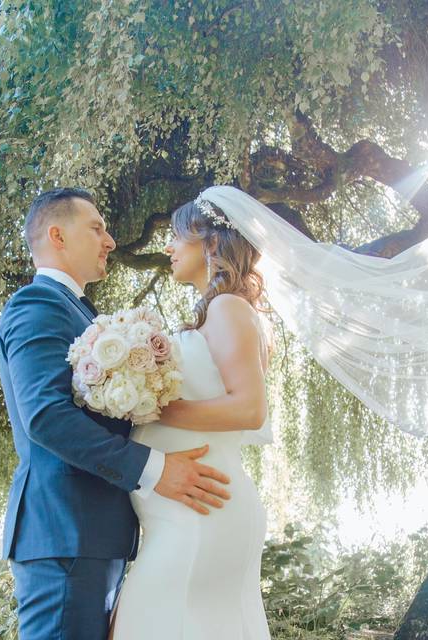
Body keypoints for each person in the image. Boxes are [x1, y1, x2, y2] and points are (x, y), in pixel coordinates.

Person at [0, 188, 232, 640]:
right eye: (97, 228)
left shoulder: (83, 314)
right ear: (57, 235)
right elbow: (45, 417)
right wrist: (155, 469)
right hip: (66, 531)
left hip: (93, 534)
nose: (110, 240)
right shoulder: (37, 304)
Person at [110, 195, 274, 639]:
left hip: (203, 509)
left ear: (211, 242)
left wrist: (155, 406)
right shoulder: (217, 312)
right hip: (185, 510)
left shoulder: (229, 308)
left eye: (177, 236)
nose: (168, 248)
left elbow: (249, 408)